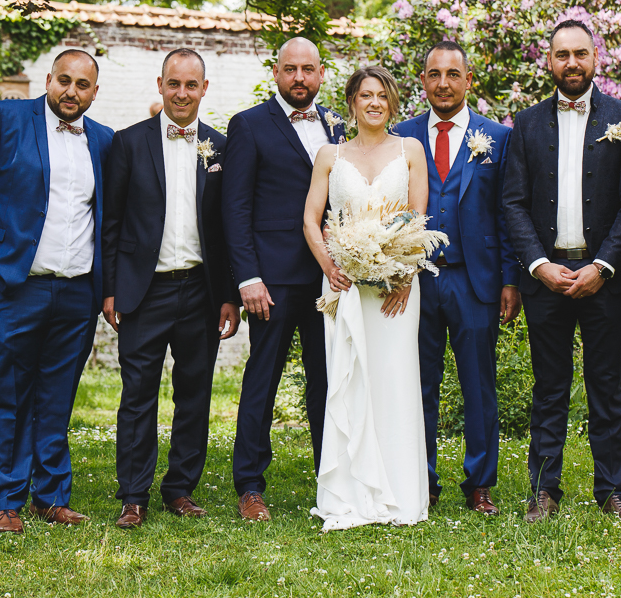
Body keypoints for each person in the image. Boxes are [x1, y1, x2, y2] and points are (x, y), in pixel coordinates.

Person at [0, 50, 113, 533]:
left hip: (77, 292)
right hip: (9, 287)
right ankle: (6, 500)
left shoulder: (104, 141)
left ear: (95, 93)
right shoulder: (4, 117)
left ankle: (51, 497)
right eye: (64, 81)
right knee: (11, 395)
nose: (71, 92)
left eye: (82, 85)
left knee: (58, 397)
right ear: (48, 81)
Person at [503, 19, 621, 523]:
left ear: (595, 58)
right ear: (549, 61)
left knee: (606, 385)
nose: (571, 63)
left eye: (580, 54)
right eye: (561, 54)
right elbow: (513, 204)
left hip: (604, 279)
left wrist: (604, 266)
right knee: (549, 387)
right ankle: (544, 492)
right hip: (546, 279)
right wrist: (539, 266)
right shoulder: (524, 123)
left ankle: (611, 491)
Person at [101, 48, 240, 529]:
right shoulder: (128, 143)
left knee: (195, 393)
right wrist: (110, 288)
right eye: (174, 84)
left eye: (191, 85)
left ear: (204, 90)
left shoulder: (220, 148)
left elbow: (226, 229)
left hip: (201, 291)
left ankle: (180, 488)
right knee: (137, 394)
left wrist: (228, 294)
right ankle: (133, 495)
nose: (182, 93)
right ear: (159, 85)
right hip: (144, 290)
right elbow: (112, 222)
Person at [391, 41, 521, 515]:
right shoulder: (401, 137)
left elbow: (509, 214)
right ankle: (420, 479)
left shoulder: (498, 138)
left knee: (478, 386)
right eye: (433, 74)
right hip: (415, 281)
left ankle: (480, 482)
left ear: (469, 81)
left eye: (452, 74)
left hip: (476, 281)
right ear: (422, 81)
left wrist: (511, 280)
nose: (443, 83)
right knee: (416, 383)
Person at [223, 37, 346, 521]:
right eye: (290, 69)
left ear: (321, 74)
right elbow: (234, 208)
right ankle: (250, 485)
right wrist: (247, 276)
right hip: (270, 282)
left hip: (329, 280)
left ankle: (331, 477)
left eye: (308, 70)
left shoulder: (339, 125)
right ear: (276, 73)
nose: (300, 78)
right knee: (262, 381)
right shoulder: (249, 125)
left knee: (328, 382)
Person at [304, 66, 430, 530]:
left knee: (394, 380)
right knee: (349, 380)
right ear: (352, 102)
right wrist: (332, 268)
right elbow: (311, 220)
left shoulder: (410, 150)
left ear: (391, 103)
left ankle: (400, 492)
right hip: (345, 288)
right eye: (365, 95)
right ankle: (349, 492)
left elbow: (418, 218)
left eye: (382, 96)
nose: (374, 103)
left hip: (398, 289)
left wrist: (405, 273)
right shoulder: (329, 154)